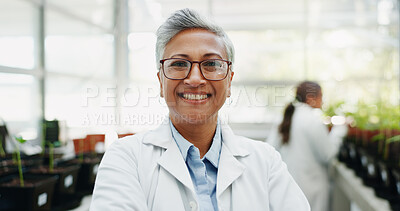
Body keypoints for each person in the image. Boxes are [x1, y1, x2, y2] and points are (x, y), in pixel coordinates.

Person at [90, 8, 310, 211]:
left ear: (229, 81)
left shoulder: (266, 161)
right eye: (179, 64)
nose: (195, 79)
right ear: (160, 81)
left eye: (211, 64)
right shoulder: (125, 158)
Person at [268, 81, 346, 211]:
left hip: (288, 187)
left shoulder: (285, 117)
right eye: (321, 96)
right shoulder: (312, 119)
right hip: (311, 190)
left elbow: (270, 148)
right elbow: (328, 154)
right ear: (311, 98)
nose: (323, 101)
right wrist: (340, 131)